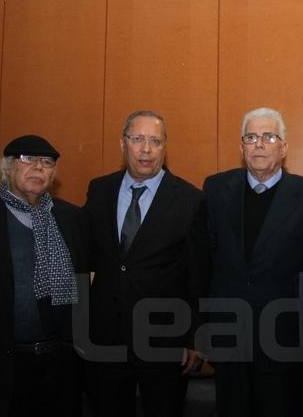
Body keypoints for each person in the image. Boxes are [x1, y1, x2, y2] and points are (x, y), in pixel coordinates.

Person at [83, 110, 211, 417]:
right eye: (137, 139)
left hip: (165, 341)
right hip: (105, 341)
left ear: (165, 147)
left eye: (155, 141)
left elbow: (200, 275)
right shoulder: (99, 190)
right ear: (122, 143)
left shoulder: (190, 199)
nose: (146, 149)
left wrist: (196, 337)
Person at [201, 107, 303, 417]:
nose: (260, 144)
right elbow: (207, 261)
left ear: (284, 147)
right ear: (241, 148)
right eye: (251, 137)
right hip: (229, 338)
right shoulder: (215, 189)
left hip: (287, 340)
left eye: (269, 136)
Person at [0, 135, 86, 416]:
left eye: (47, 162)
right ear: (7, 168)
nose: (39, 168)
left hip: (61, 367)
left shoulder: (72, 219)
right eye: (28, 160)